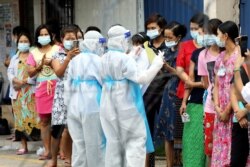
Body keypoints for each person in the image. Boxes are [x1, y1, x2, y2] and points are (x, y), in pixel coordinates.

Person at [100, 25, 164, 167]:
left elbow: (117, 68)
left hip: (107, 105)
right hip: (126, 105)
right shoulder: (125, 59)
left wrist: (131, 56)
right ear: (121, 40)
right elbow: (141, 78)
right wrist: (157, 64)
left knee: (114, 143)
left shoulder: (104, 57)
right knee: (135, 141)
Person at [64, 30, 106, 167]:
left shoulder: (74, 60)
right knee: (95, 143)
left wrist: (68, 105)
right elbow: (104, 82)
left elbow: (67, 84)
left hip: (74, 106)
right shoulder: (99, 61)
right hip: (92, 105)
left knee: (78, 144)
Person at [175, 12, 208, 166]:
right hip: (193, 101)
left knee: (204, 141)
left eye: (198, 30)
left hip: (209, 102)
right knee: (188, 138)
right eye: (192, 29)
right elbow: (188, 77)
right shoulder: (193, 51)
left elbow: (209, 83)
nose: (195, 33)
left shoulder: (216, 53)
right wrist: (184, 102)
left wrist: (194, 84)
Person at [45, 25, 80, 167]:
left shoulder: (82, 54)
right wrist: (68, 58)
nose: (71, 41)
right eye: (68, 38)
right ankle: (53, 159)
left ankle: (71, 160)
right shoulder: (56, 55)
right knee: (57, 130)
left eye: (74, 38)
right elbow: (59, 73)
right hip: (61, 96)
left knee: (72, 131)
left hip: (77, 95)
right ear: (62, 39)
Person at [153, 21, 186, 167]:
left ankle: (182, 161)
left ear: (178, 37)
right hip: (168, 93)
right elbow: (161, 73)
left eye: (170, 37)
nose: (167, 40)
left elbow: (184, 75)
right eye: (165, 37)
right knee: (168, 132)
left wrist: (168, 68)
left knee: (181, 130)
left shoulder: (185, 51)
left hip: (181, 92)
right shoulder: (166, 51)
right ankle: (169, 163)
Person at [27, 24, 60, 160]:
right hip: (42, 88)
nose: (44, 37)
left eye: (46, 34)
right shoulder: (33, 52)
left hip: (57, 87)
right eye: (41, 34)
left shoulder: (58, 49)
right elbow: (30, 72)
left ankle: (60, 151)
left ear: (51, 35)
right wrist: (40, 66)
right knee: (44, 121)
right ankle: (47, 150)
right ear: (37, 37)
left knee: (58, 121)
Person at [7, 32, 40, 154]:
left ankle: (41, 144)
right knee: (19, 120)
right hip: (17, 93)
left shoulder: (34, 56)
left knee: (34, 118)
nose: (23, 43)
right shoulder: (15, 57)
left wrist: (24, 82)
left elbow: (36, 73)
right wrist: (16, 80)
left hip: (30, 92)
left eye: (25, 41)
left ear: (30, 42)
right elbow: (10, 72)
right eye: (21, 41)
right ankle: (23, 145)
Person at [212, 21, 239, 166]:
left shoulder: (239, 57)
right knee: (220, 148)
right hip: (220, 111)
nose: (217, 37)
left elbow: (238, 87)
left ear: (226, 36)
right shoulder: (220, 57)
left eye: (218, 34)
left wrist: (227, 110)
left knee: (233, 150)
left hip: (234, 111)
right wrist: (216, 106)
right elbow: (216, 84)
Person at [197, 18, 222, 167]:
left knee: (226, 146)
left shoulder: (229, 53)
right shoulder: (203, 55)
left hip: (228, 107)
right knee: (210, 148)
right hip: (211, 108)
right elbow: (205, 82)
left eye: (208, 33)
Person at [143, 13, 168, 167]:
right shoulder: (145, 46)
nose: (150, 31)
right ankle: (149, 163)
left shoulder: (169, 45)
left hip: (167, 91)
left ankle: (173, 161)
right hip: (149, 92)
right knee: (148, 129)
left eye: (153, 28)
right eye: (148, 28)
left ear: (162, 29)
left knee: (169, 128)